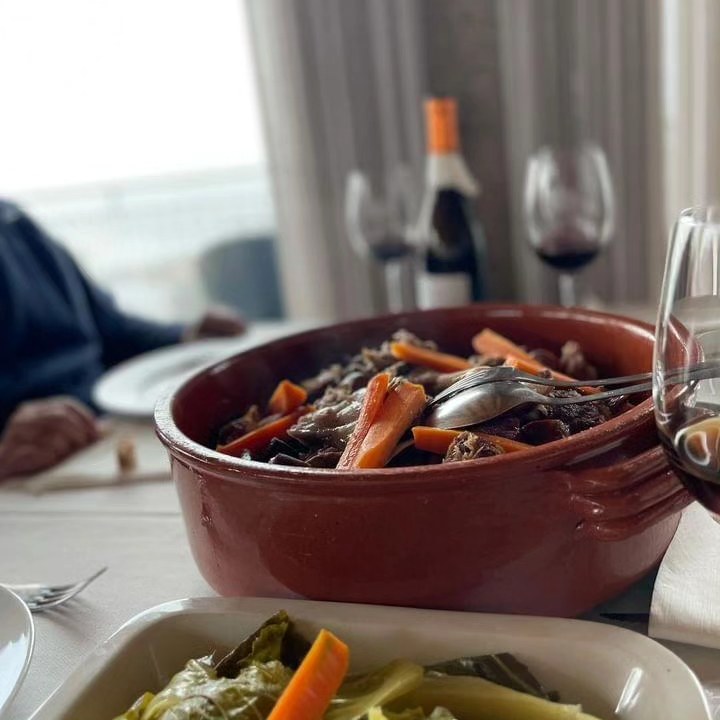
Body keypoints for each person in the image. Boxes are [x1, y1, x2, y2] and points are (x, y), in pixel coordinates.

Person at [0, 200, 246, 478]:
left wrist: (186, 334)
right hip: (29, 471)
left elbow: (110, 329)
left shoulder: (14, 221)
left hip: (105, 432)